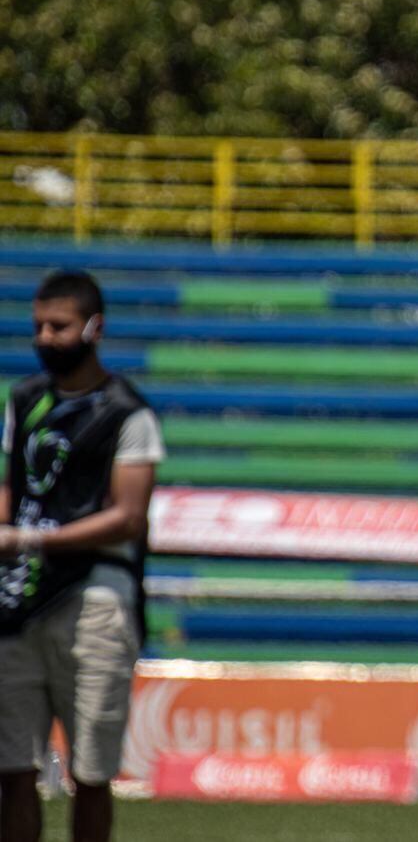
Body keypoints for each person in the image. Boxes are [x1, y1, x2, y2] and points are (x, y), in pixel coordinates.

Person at [0, 271, 165, 842]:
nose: (45, 338)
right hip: (17, 602)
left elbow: (128, 516)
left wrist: (28, 540)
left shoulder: (128, 413)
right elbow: (12, 490)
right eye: (39, 326)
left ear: (94, 328)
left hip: (94, 599)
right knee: (12, 769)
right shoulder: (25, 400)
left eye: (59, 326)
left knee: (91, 774)